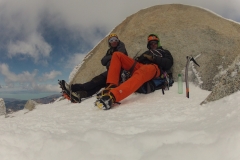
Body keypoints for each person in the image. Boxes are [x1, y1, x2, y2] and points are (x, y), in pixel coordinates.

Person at [95, 34, 173, 110]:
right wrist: (139, 58)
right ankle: (111, 86)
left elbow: (169, 63)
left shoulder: (164, 52)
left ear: (158, 43)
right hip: (140, 66)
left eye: (155, 43)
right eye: (151, 43)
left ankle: (113, 96)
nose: (153, 45)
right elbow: (136, 62)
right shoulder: (146, 52)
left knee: (143, 70)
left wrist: (154, 58)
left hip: (154, 68)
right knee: (117, 55)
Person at [59, 33, 128, 103]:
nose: (114, 41)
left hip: (117, 72)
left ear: (118, 40)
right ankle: (79, 95)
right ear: (109, 42)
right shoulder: (110, 51)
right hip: (110, 73)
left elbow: (119, 54)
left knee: (93, 83)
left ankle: (72, 88)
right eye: (111, 40)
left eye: (115, 39)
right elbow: (103, 61)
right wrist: (111, 57)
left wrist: (110, 57)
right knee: (97, 87)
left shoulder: (121, 46)